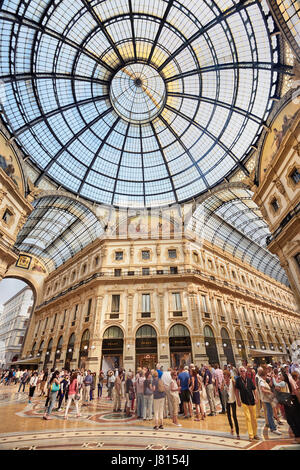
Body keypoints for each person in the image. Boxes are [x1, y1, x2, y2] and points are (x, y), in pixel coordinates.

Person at [235, 366, 259, 442]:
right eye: (241, 371)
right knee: (248, 418)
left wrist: (256, 398)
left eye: (243, 371)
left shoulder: (249, 380)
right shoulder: (238, 380)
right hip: (244, 401)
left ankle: (255, 434)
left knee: (254, 418)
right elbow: (236, 391)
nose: (243, 372)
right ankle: (251, 435)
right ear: (239, 372)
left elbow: (254, 389)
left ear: (246, 372)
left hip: (252, 401)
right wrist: (238, 400)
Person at [258, 368, 281, 436]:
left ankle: (272, 426)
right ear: (263, 375)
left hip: (268, 399)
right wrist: (270, 392)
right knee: (270, 414)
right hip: (267, 399)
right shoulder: (261, 381)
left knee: (270, 413)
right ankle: (273, 428)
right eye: (266, 375)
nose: (266, 377)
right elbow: (263, 390)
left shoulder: (263, 381)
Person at [223, 370, 239, 439]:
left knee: (234, 416)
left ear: (228, 376)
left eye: (225, 376)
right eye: (224, 376)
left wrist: (238, 400)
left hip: (233, 400)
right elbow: (221, 389)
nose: (224, 377)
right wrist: (223, 384)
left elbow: (236, 390)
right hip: (227, 401)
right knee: (228, 415)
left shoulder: (232, 381)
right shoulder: (224, 382)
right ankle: (232, 428)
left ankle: (238, 432)